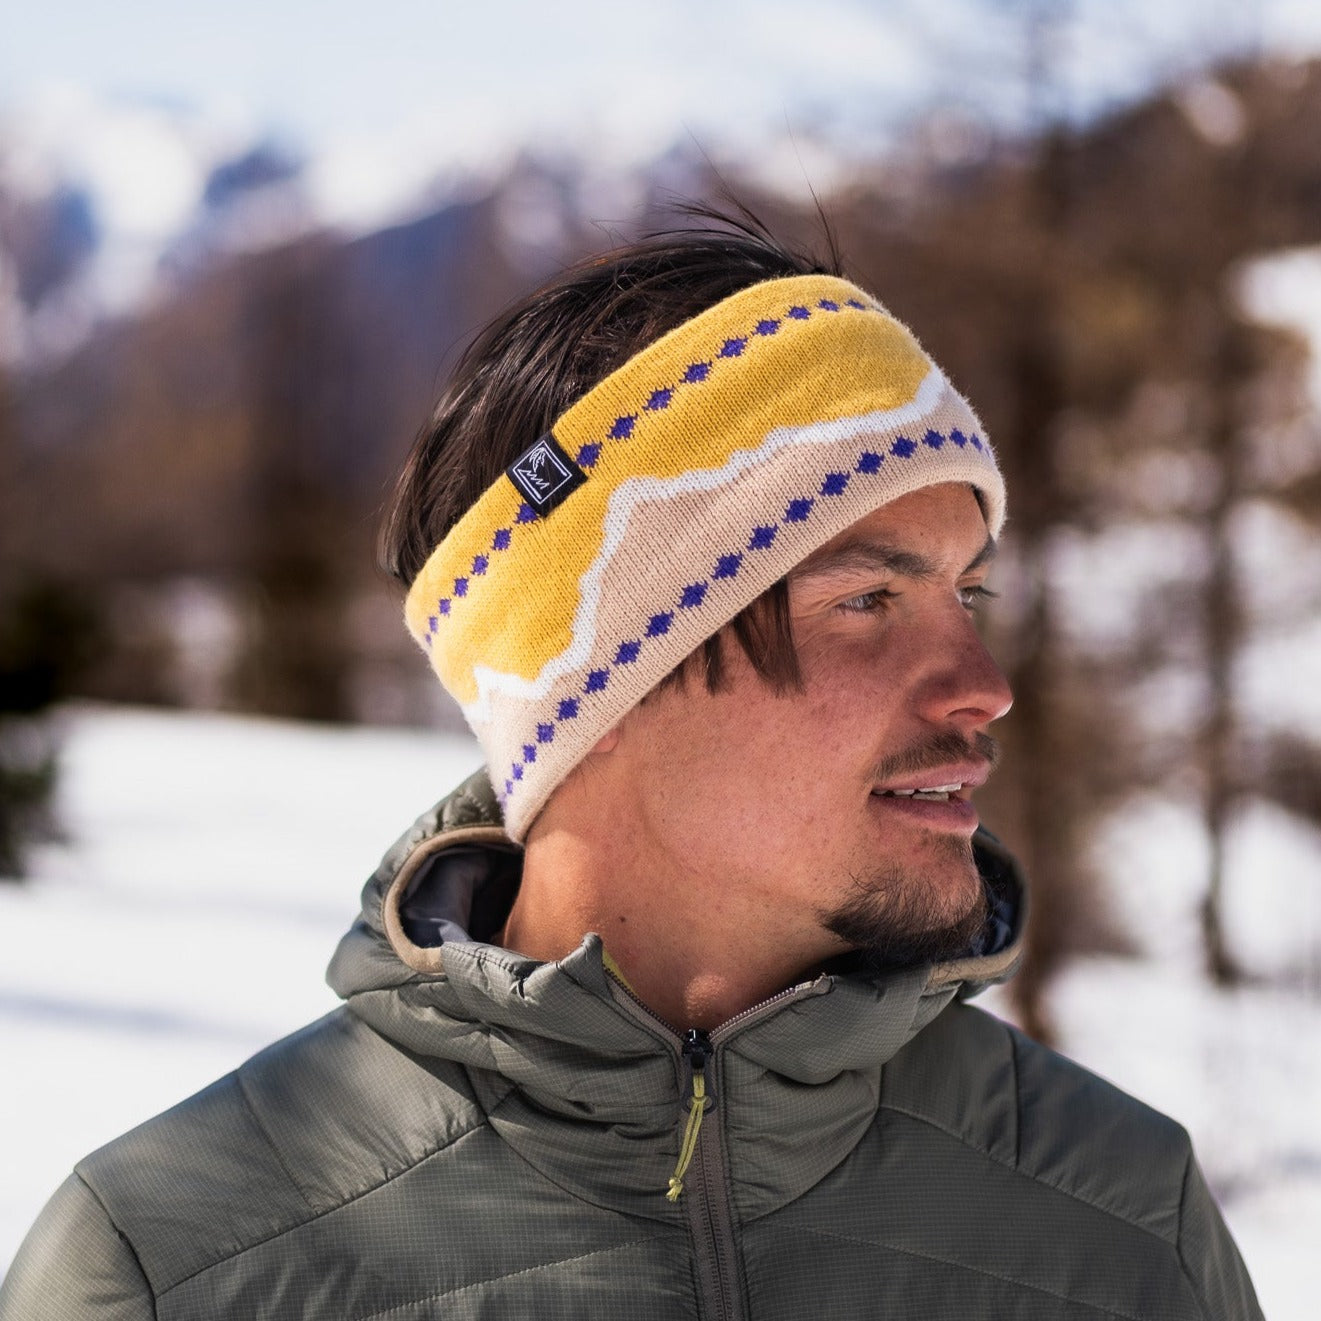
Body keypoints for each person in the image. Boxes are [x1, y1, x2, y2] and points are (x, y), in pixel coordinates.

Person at [0, 219, 1262, 1320]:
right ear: (592, 683)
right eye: (868, 600)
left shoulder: (1119, 1223)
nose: (982, 684)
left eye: (965, 592)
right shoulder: (177, 1263)